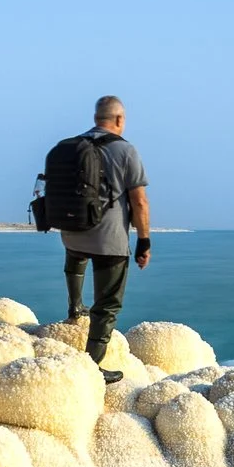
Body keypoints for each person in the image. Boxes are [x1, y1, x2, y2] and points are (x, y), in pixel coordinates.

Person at [58, 95, 150, 381]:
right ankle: (92, 365)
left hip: (71, 234)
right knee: (108, 303)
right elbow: (139, 202)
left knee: (77, 259)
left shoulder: (71, 146)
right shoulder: (125, 151)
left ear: (96, 118)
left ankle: (75, 305)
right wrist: (143, 241)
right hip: (108, 240)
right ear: (119, 120)